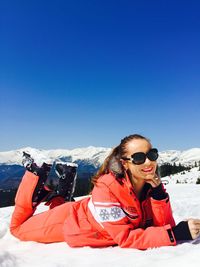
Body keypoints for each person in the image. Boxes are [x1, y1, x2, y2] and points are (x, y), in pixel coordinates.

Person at [10, 134, 200, 250]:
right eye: (139, 158)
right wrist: (176, 233)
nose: (149, 162)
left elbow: (162, 226)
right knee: (17, 229)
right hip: (71, 222)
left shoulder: (150, 184)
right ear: (124, 162)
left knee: (64, 205)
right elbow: (124, 238)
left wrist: (159, 195)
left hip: (88, 214)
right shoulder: (107, 187)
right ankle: (36, 172)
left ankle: (64, 185)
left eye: (152, 155)